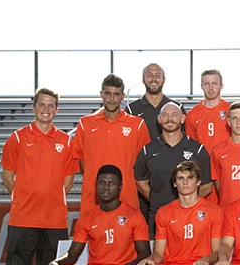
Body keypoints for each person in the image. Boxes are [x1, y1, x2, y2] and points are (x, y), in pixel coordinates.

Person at [1, 88, 79, 265]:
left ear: (57, 110)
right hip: (22, 219)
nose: (46, 109)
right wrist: (26, 198)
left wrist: (49, 199)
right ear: (34, 107)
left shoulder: (66, 141)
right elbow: (8, 178)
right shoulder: (17, 138)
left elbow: (68, 182)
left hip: (54, 221)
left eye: (51, 105)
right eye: (42, 104)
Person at [73, 74, 150, 216]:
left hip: (126, 197)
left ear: (123, 96)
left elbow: (143, 165)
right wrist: (94, 179)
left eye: (116, 94)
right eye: (108, 93)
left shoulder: (137, 125)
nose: (112, 99)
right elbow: (82, 162)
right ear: (101, 94)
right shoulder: (85, 124)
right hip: (93, 199)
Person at [135, 103, 213, 237]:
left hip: (190, 217)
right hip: (157, 216)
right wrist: (157, 199)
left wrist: (188, 202)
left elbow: (207, 186)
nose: (169, 119)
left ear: (182, 119)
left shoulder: (198, 149)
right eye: (165, 115)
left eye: (174, 115)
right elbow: (141, 182)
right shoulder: (147, 150)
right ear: (159, 119)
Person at [185, 69, 231, 204]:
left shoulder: (230, 110)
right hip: (204, 171)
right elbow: (190, 147)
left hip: (225, 169)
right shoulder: (192, 115)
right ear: (201, 86)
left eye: (214, 83)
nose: (210, 88)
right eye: (206, 84)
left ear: (221, 86)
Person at [126, 63, 185, 140]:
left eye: (158, 75)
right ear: (143, 80)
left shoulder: (177, 107)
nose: (154, 79)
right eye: (149, 75)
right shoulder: (131, 109)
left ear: (164, 80)